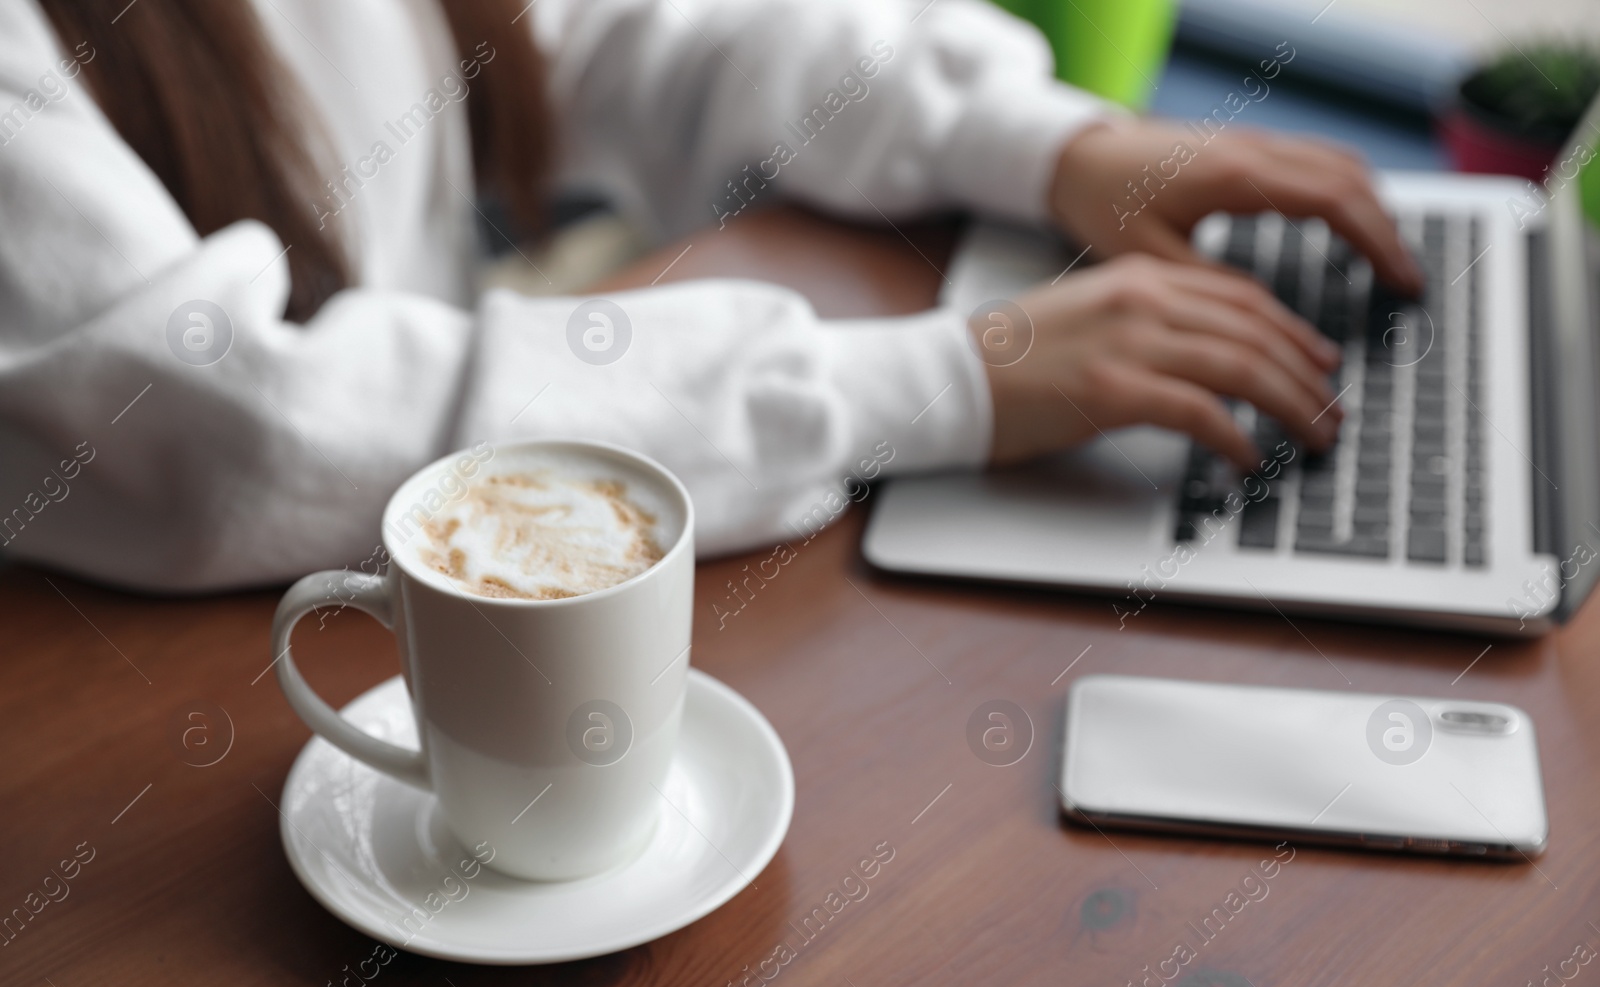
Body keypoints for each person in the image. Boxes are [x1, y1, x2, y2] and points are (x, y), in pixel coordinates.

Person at [0, 0, 1421, 591]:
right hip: (138, 685)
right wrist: (921, 385)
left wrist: (1045, 140)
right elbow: (231, 422)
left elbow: (644, 30)